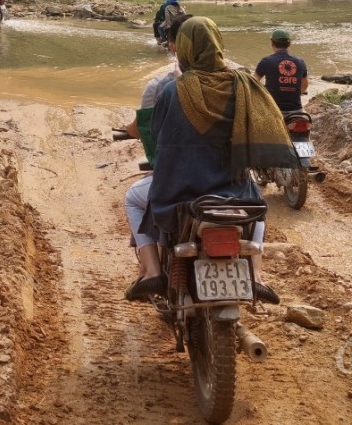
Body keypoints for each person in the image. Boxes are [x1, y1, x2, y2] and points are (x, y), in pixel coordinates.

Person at [125, 16, 300, 304]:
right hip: (232, 190)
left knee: (134, 199)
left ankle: (152, 272)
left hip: (178, 191)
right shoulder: (243, 86)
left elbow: (156, 136)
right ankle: (255, 275)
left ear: (184, 48)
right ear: (218, 43)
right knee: (258, 205)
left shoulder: (173, 90)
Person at [255, 28, 309, 113]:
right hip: (296, 110)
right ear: (289, 43)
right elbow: (305, 85)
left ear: (272, 43)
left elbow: (253, 82)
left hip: (272, 110)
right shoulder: (300, 62)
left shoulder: (266, 61)